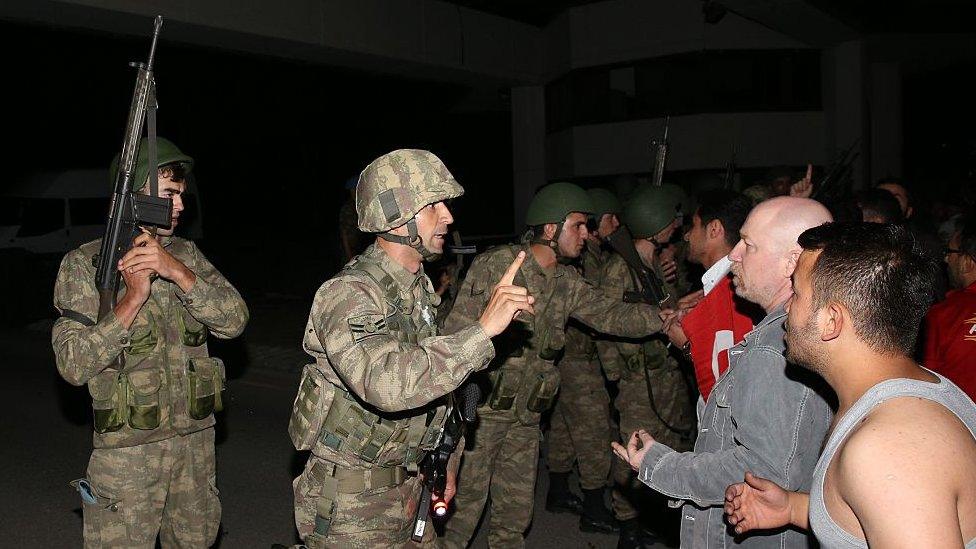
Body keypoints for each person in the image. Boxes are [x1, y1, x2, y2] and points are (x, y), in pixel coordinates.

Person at [288, 149, 533, 547]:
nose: (448, 216)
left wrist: (446, 461)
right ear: (396, 217)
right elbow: (384, 383)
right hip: (353, 507)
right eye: (433, 204)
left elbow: (437, 386)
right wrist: (481, 331)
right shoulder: (349, 294)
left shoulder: (416, 290)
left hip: (410, 490)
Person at [441, 181, 665, 548]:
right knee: (459, 517)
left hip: (526, 420)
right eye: (577, 225)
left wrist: (664, 318)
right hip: (481, 418)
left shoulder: (567, 282)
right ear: (550, 229)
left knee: (514, 519)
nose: (585, 234)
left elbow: (609, 315)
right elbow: (455, 336)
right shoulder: (498, 266)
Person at [724, 222, 976, 548]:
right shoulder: (912, 391)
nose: (787, 307)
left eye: (797, 293)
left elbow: (895, 480)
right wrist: (795, 507)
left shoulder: (889, 449)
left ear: (831, 320)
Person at [53, 137, 249, 547]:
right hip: (127, 457)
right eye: (170, 195)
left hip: (194, 451)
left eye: (181, 195)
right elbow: (73, 364)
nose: (180, 205)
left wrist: (178, 272)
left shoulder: (188, 257)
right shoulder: (85, 265)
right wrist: (132, 299)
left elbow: (234, 322)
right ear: (135, 196)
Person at [612, 196, 834, 548]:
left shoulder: (773, 350)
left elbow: (759, 472)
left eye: (749, 245)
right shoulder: (805, 333)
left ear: (792, 261)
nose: (734, 254)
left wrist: (659, 464)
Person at [597, 184, 698, 548]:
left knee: (667, 446)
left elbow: (671, 306)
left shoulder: (652, 264)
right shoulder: (617, 269)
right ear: (654, 223)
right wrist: (615, 375)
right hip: (637, 378)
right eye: (669, 221)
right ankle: (628, 526)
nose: (675, 226)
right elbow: (604, 323)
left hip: (665, 373)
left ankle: (654, 518)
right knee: (633, 449)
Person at [545, 187, 620, 534]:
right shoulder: (579, 258)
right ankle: (593, 506)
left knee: (563, 426)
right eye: (607, 220)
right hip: (576, 358)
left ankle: (558, 491)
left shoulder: (593, 255)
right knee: (592, 431)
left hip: (569, 359)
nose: (611, 225)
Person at [661, 189, 758, 402]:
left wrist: (687, 345)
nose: (686, 235)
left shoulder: (734, 289)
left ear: (714, 229)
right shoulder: (725, 285)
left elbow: (730, 376)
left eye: (694, 226)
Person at [924, 217, 976, 401]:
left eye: (950, 251)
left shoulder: (944, 316)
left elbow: (926, 385)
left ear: (967, 262)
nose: (946, 258)